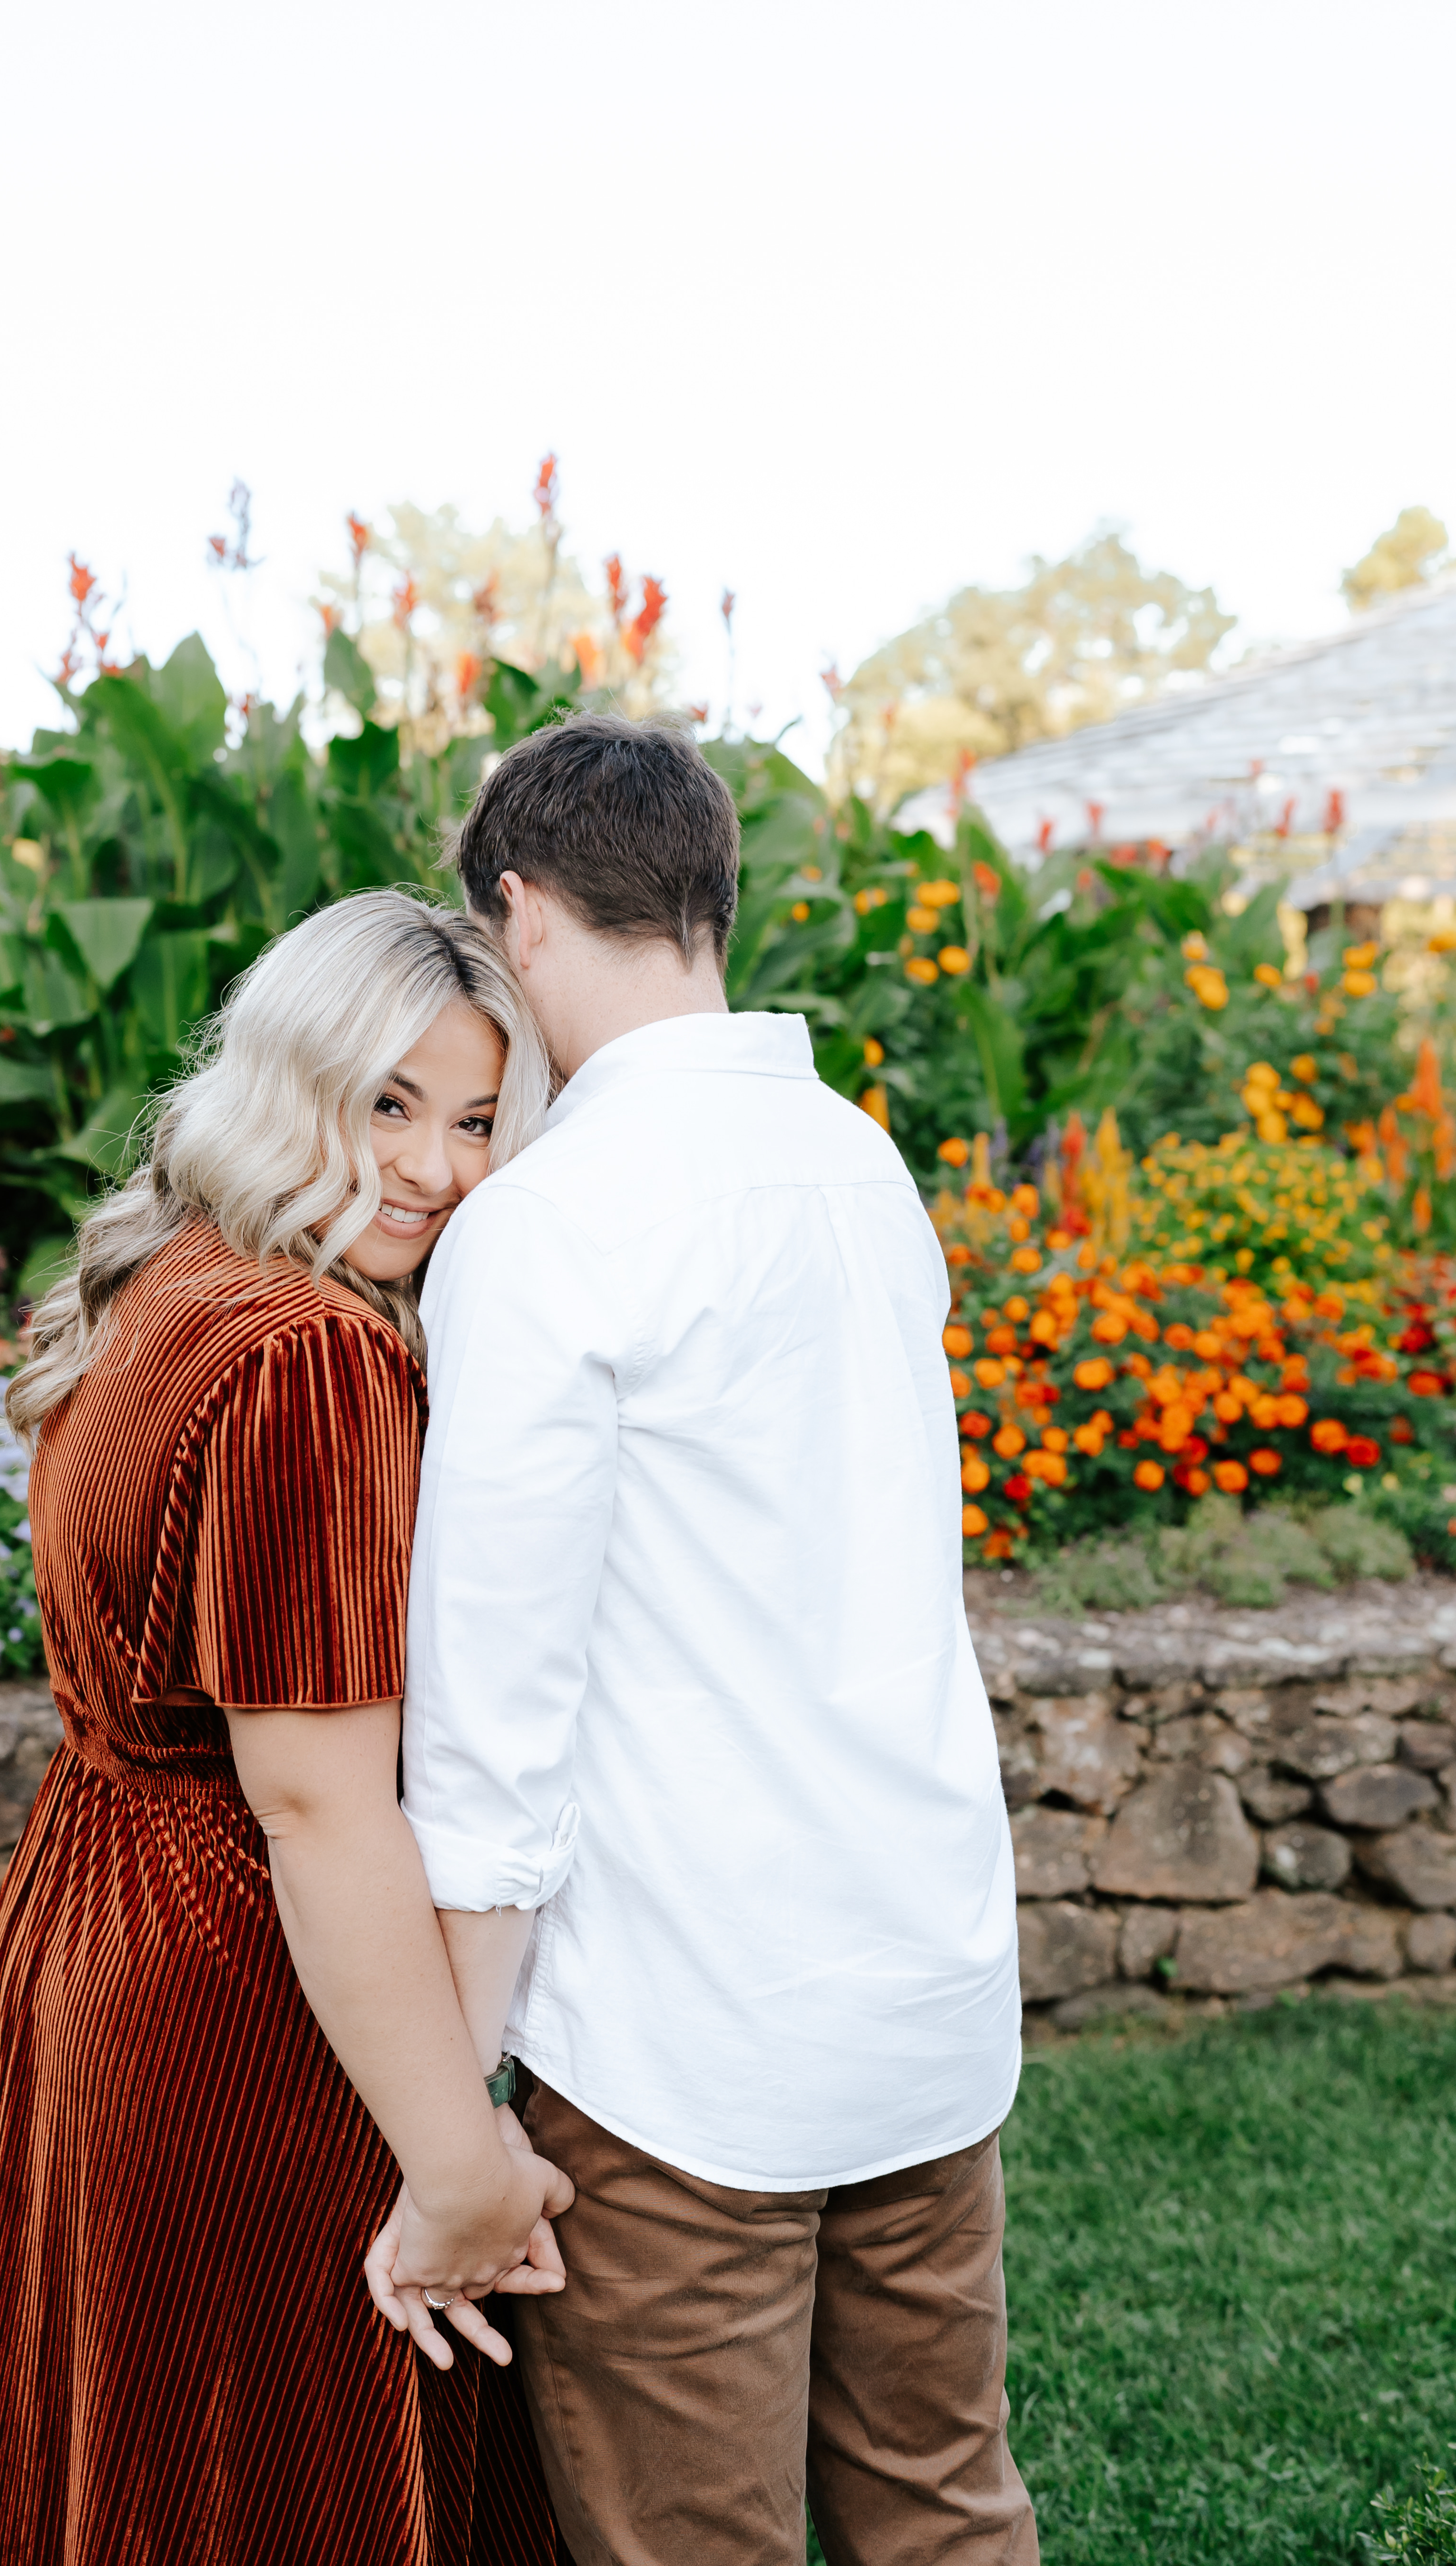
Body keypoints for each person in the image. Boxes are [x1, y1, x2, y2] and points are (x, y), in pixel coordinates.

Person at [375, 717, 1035, 2565]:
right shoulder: (861, 1169)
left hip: (684, 2043)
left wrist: (461, 2122)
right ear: (703, 902)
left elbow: (498, 1727)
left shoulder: (546, 1226)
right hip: (920, 1996)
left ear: (515, 909)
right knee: (947, 2525)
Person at [0, 889, 576, 2566]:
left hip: (87, 1927)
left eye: (479, 1120)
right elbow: (317, 1808)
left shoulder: (174, 1277)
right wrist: (463, 2167)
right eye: (391, 1103)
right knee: (277, 2480)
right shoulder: (305, 1357)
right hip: (243, 1980)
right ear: (298, 1084)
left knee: (147, 2466)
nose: (438, 1169)